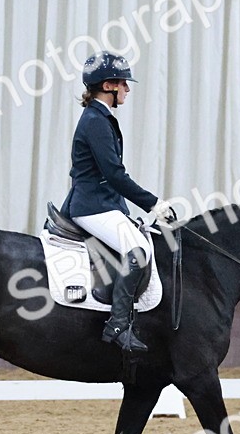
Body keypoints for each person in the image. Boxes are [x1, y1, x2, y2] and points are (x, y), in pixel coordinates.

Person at [61, 51, 176, 354]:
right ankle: (118, 326)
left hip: (103, 203)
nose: (127, 89)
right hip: (91, 206)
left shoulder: (100, 118)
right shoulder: (95, 121)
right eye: (123, 83)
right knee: (137, 251)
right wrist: (154, 204)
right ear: (108, 85)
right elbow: (114, 174)